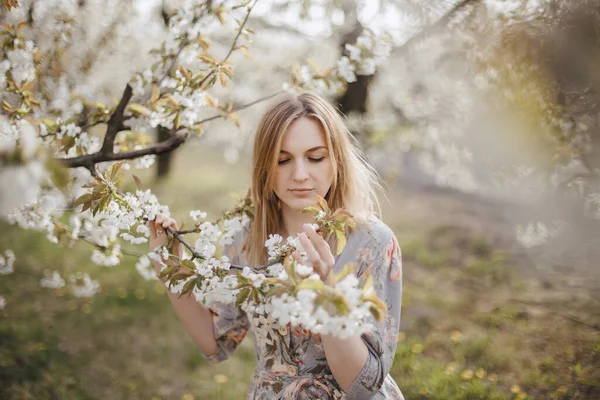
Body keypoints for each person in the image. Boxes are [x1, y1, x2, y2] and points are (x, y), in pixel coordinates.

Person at [149, 92, 404, 399]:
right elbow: (216, 343)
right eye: (283, 160)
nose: (299, 175)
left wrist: (326, 293)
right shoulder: (246, 238)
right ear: (265, 168)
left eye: (315, 157)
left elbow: (362, 385)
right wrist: (170, 270)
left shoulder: (372, 243)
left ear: (337, 160)